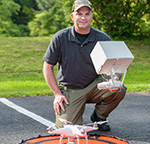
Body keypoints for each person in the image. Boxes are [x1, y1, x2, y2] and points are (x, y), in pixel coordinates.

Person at [43, 0, 126, 131]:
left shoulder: (102, 37)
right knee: (69, 130)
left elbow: (118, 62)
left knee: (119, 89)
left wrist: (115, 78)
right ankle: (67, 119)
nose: (83, 17)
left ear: (92, 16)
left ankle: (99, 117)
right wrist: (57, 94)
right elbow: (47, 67)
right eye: (79, 13)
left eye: (87, 14)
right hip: (70, 89)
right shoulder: (60, 38)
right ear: (72, 16)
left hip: (94, 85)